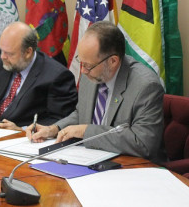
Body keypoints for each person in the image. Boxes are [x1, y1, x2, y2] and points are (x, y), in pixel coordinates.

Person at [26, 21, 165, 161]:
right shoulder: (91, 73)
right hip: (90, 159)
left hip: (131, 167)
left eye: (88, 66)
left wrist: (86, 131)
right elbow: (82, 114)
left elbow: (143, 143)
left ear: (113, 61)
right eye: (81, 63)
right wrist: (54, 129)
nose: (82, 71)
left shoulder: (145, 86)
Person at [0, 22, 78, 131]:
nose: (3, 57)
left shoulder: (57, 76)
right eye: (2, 50)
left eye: (9, 53)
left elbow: (60, 120)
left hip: (25, 142)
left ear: (28, 52)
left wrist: (22, 130)